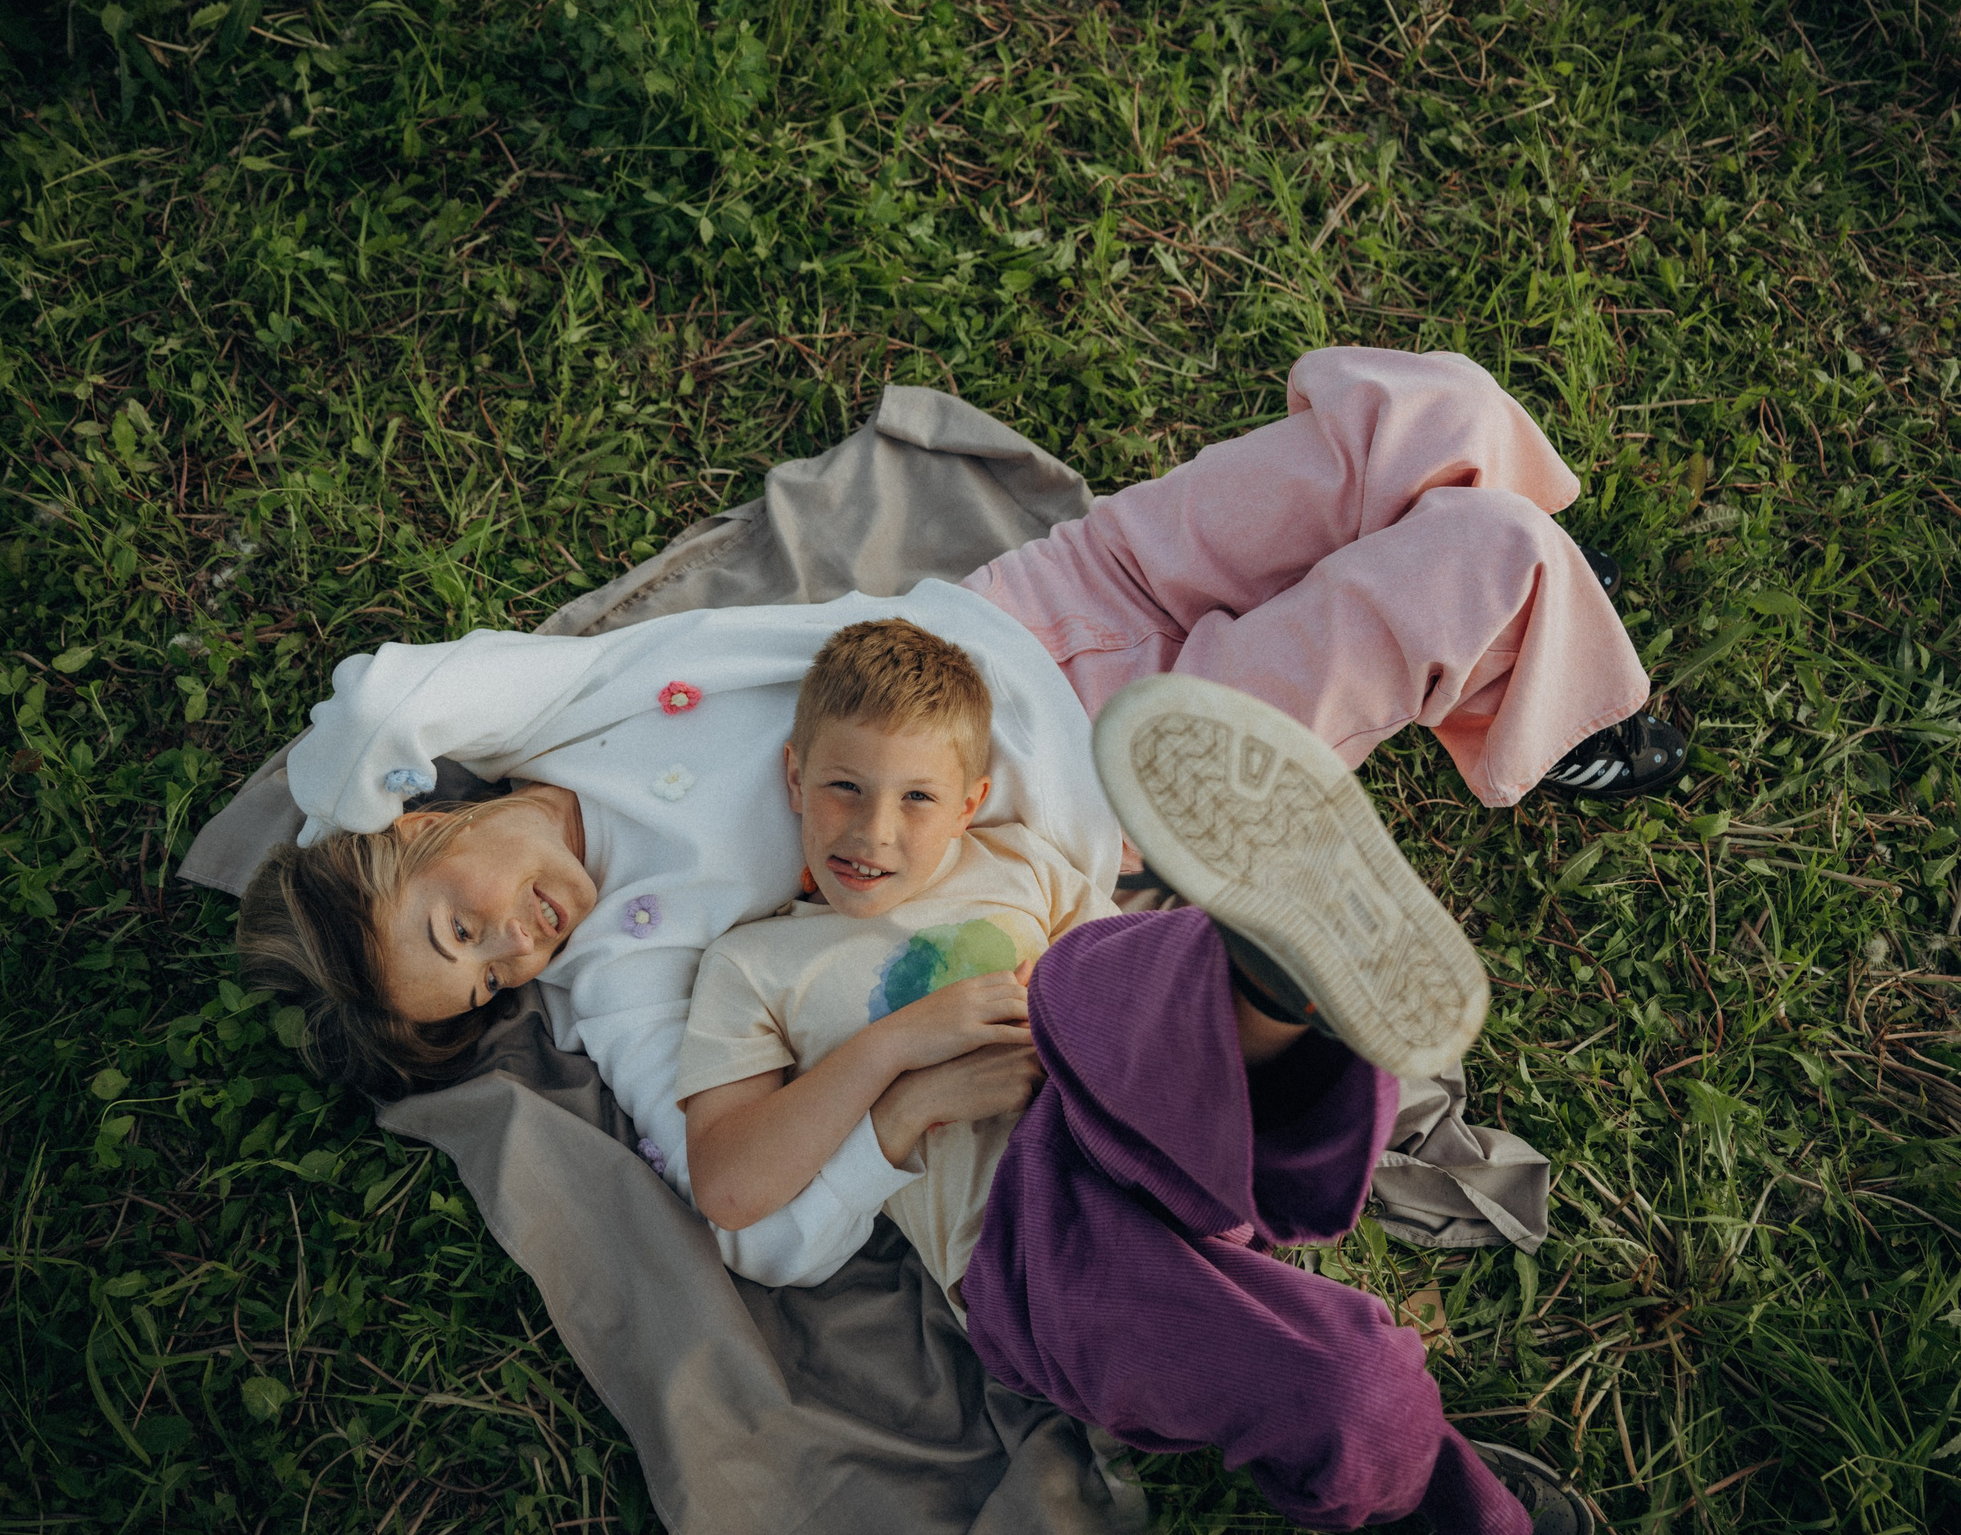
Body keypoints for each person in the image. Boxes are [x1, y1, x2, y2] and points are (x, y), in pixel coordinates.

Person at [235, 346, 1677, 1285]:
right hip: (1116, 776)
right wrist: (900, 1100)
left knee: (1425, 412)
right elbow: (756, 1218)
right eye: (488, 978)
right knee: (1471, 554)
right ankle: (1551, 682)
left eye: (457, 921)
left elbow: (378, 705)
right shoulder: (623, 965)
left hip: (1042, 599)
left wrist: (351, 796)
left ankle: (1538, 640)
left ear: (415, 825)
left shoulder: (549, 703)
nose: (514, 944)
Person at [675, 623, 1591, 1535]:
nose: (874, 830)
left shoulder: (1018, 863)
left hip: (1127, 1111)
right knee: (1350, 1386)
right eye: (843, 787)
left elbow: (1136, 1017)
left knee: (1097, 973)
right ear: (794, 778)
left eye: (917, 796)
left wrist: (1078, 1009)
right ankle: (1456, 1499)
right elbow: (729, 1183)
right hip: (1020, 1247)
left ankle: (1272, 977)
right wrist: (906, 1050)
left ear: (971, 803)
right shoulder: (753, 965)